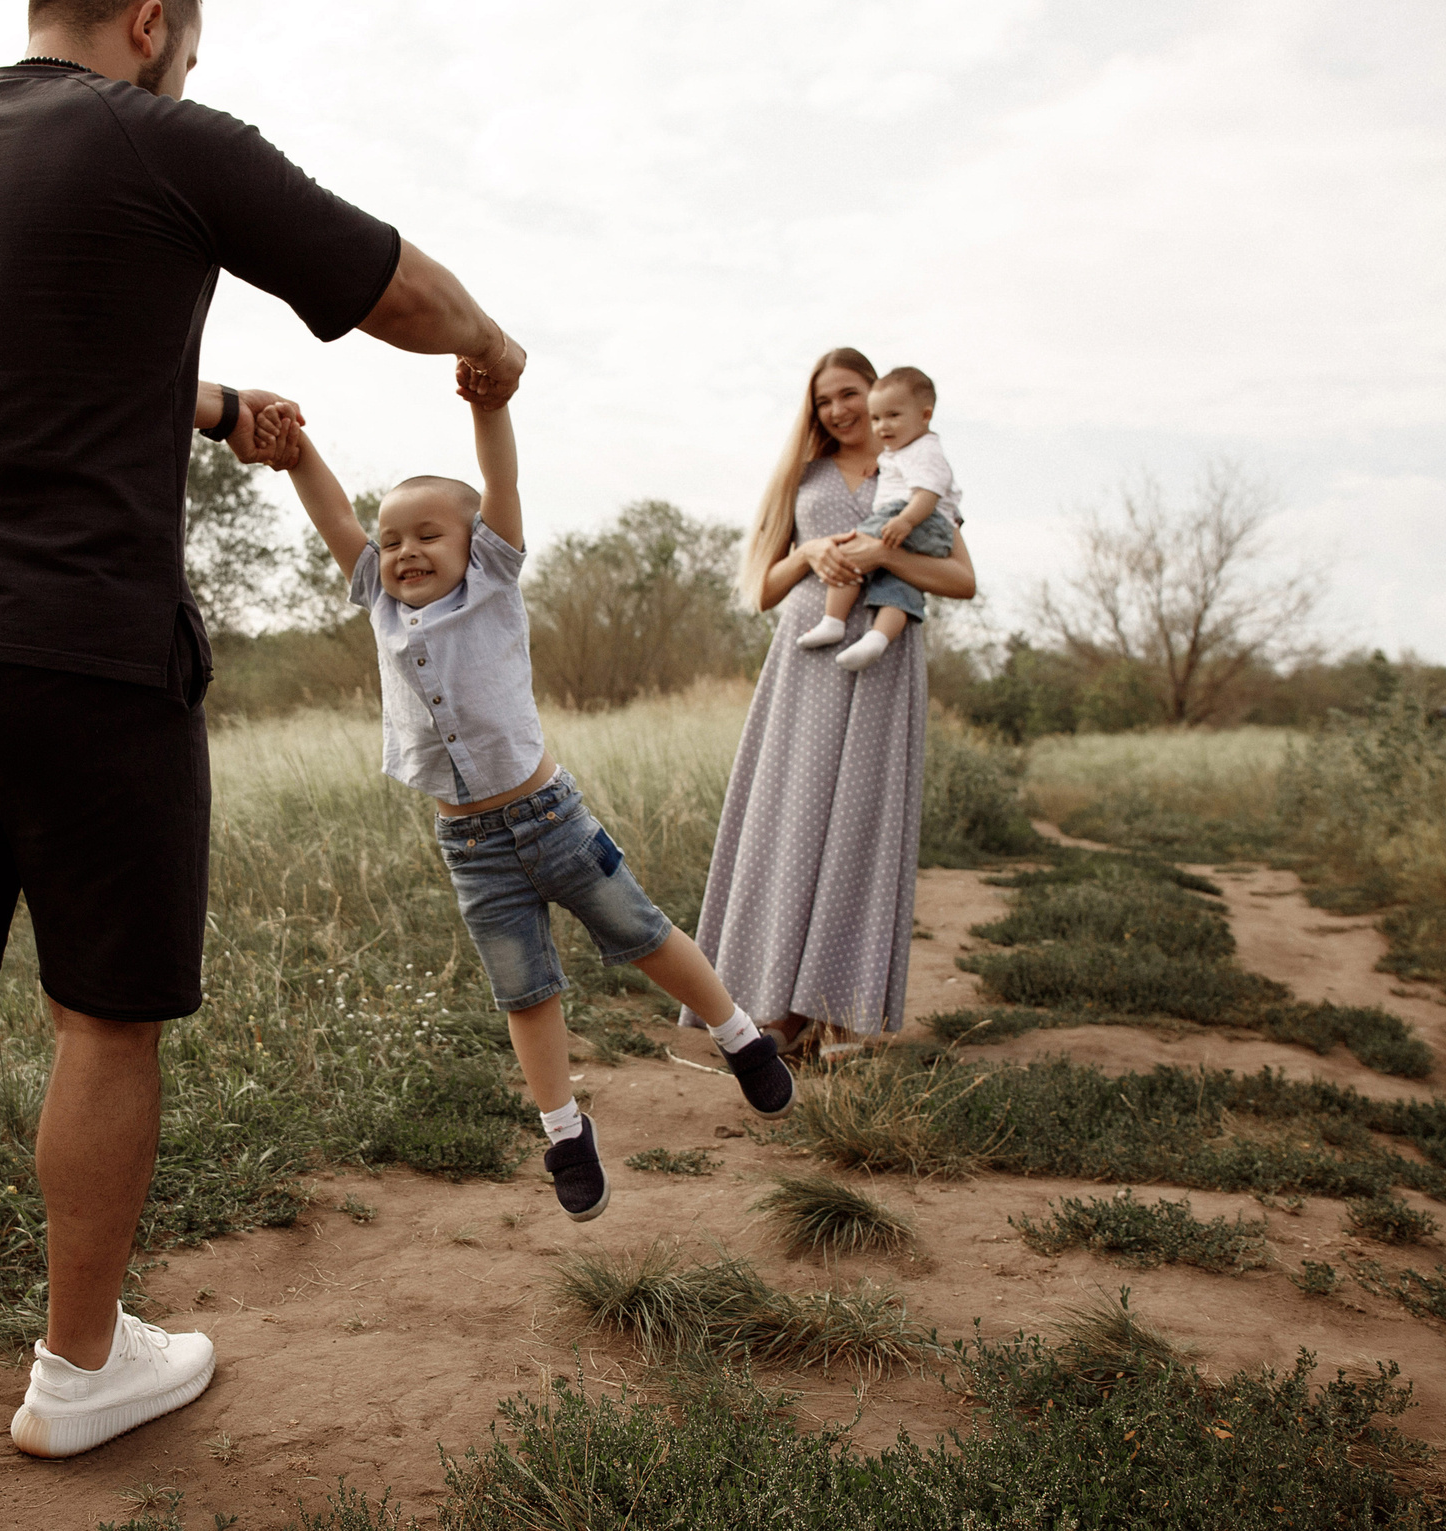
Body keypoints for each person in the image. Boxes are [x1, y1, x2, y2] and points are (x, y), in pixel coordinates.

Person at [0, 0, 529, 1498]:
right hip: (84, 647)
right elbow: (389, 285)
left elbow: (23, 366)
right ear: (151, 22)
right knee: (103, 1011)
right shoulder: (167, 136)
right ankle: (82, 1368)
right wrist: (491, 344)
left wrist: (219, 404)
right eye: (187, 50)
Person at [277, 392, 796, 1223]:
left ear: (474, 542)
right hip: (471, 847)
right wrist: (296, 450)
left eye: (427, 534)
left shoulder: (493, 578)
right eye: (392, 538)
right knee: (524, 990)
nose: (405, 550)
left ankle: (740, 1036)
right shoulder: (378, 598)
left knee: (643, 932)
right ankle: (564, 1132)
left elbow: (500, 477)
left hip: (553, 819)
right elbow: (334, 514)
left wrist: (490, 403)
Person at [688, 348, 978, 1060]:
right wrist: (810, 551)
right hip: (806, 663)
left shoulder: (916, 470)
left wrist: (885, 558)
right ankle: (776, 1009)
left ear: (878, 396)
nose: (840, 410)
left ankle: (841, 1013)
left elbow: (962, 580)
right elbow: (763, 589)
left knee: (860, 830)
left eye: (850, 394)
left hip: (884, 662)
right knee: (790, 824)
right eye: (825, 400)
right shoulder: (804, 475)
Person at [791, 366, 961, 672]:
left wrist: (905, 522)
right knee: (900, 589)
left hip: (911, 517)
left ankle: (833, 620)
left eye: (893, 416)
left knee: (850, 552)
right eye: (877, 418)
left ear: (925, 415)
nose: (883, 426)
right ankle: (878, 639)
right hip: (919, 524)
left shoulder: (926, 450)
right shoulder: (898, 454)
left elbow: (928, 492)